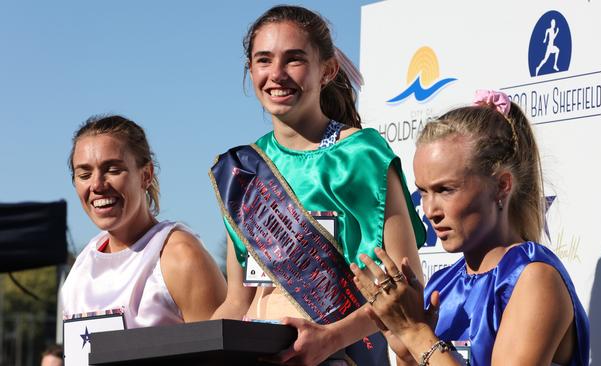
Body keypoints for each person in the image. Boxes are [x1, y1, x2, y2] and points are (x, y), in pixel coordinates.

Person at [210, 5, 425, 365]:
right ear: (251, 70)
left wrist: (330, 339)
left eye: (293, 59)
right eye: (264, 60)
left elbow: (409, 286)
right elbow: (238, 300)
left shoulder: (360, 156)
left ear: (327, 70)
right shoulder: (242, 172)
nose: (276, 74)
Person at [351, 90, 589, 365]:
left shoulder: (534, 278)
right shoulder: (442, 285)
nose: (429, 211)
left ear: (502, 185)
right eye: (424, 192)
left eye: (445, 190)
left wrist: (415, 333)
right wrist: (406, 354)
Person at [61, 115, 226, 329]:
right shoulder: (82, 266)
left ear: (146, 175)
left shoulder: (180, 256)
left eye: (112, 170)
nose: (97, 185)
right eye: (84, 174)